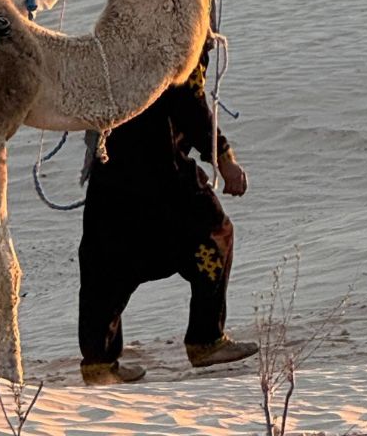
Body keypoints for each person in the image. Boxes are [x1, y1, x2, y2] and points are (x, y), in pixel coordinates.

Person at [77, 35, 259, 386]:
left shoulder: (115, 39)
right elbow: (190, 105)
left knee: (107, 261)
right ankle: (206, 340)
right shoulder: (179, 41)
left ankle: (99, 363)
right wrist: (224, 158)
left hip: (111, 171)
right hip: (160, 170)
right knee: (215, 233)